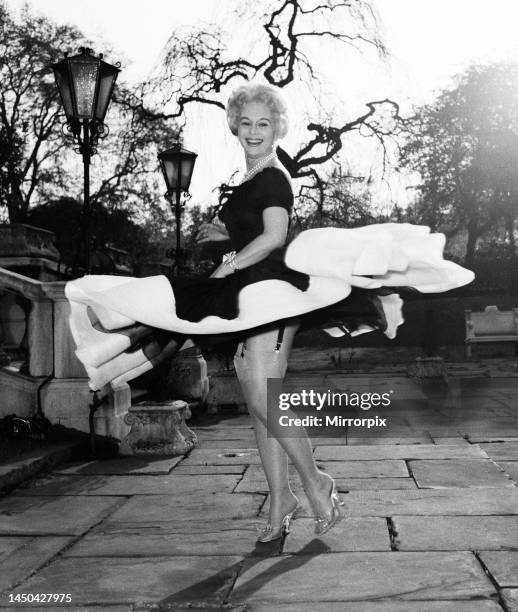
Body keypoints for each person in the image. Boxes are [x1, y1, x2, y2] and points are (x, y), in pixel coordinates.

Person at [65, 82, 475, 543]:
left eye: (264, 123)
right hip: (251, 296)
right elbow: (254, 226)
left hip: (271, 294)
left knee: (265, 400)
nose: (254, 131)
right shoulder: (252, 177)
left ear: (276, 128)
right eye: (246, 123)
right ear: (235, 126)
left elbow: (275, 234)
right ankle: (281, 500)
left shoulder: (274, 176)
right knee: (258, 403)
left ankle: (315, 481)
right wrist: (225, 232)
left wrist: (228, 264)